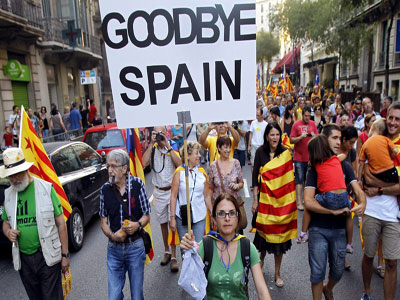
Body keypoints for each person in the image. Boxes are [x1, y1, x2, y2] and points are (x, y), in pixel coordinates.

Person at [304, 124, 366, 300]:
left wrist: (363, 202)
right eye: (334, 138)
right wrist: (331, 212)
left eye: (340, 138)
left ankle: (328, 288)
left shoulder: (344, 166)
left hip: (340, 230)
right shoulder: (314, 167)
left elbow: (358, 190)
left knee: (338, 272)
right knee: (317, 272)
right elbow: (308, 201)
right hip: (318, 228)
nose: (339, 142)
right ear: (324, 140)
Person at [1, 148, 69, 300]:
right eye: (10, 176)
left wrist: (65, 255)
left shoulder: (45, 188)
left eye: (17, 174)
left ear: (26, 170)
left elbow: (61, 223)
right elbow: (5, 224)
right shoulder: (9, 194)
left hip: (47, 256)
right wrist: (8, 232)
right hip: (24, 260)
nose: (14, 180)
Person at [180, 193, 272, 300]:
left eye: (232, 213)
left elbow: (262, 291)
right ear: (214, 219)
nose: (227, 218)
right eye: (221, 213)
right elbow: (190, 282)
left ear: (237, 218)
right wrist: (188, 252)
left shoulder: (247, 247)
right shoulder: (204, 246)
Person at [360, 102, 400, 300]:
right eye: (390, 118)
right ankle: (367, 292)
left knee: (391, 262)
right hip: (371, 210)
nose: (393, 122)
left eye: (397, 119)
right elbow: (364, 176)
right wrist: (382, 184)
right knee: (368, 256)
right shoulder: (373, 140)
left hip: (394, 215)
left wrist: (380, 189)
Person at [99, 149, 150, 300]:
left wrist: (137, 225)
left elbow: (147, 215)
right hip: (114, 250)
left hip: (135, 247)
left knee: (136, 296)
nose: (110, 170)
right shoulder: (104, 190)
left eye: (114, 166)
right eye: (108, 166)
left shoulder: (137, 184)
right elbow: (103, 222)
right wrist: (112, 236)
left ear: (124, 168)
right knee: (113, 297)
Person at [251, 122, 296, 287]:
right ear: (267, 136)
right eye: (272, 134)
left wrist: (291, 203)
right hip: (264, 202)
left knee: (280, 241)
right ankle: (261, 260)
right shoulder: (260, 152)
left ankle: (277, 273)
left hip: (281, 204)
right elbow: (255, 176)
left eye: (277, 134)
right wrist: (255, 200)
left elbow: (290, 180)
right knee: (263, 237)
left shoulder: (285, 153)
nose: (275, 137)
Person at [297, 135, 355, 256]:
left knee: (309, 203)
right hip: (344, 198)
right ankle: (349, 244)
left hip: (329, 198)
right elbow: (344, 155)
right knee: (348, 213)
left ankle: (303, 233)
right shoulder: (336, 160)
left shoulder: (315, 165)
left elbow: (309, 200)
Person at [142, 126, 181, 272]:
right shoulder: (152, 148)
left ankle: (174, 256)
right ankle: (166, 251)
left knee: (173, 223)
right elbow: (144, 163)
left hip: (171, 192)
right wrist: (152, 143)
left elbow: (180, 163)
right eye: (156, 133)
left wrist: (168, 147)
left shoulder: (173, 146)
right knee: (163, 224)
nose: (159, 136)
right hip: (158, 191)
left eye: (161, 133)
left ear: (166, 133)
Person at [169, 141, 212, 244]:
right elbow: (173, 196)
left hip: (199, 216)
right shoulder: (179, 172)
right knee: (186, 249)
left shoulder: (202, 172)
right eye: (196, 153)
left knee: (197, 248)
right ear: (188, 156)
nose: (199, 156)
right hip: (182, 216)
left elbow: (206, 196)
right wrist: (172, 218)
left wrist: (212, 213)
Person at [358, 118, 400, 219]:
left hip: (375, 173)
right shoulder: (386, 140)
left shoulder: (366, 144)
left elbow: (361, 163)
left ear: (372, 128)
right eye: (390, 118)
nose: (393, 122)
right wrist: (389, 155)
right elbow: (394, 151)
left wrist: (359, 179)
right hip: (390, 171)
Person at [290, 106, 318, 210]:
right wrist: (301, 137)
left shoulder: (312, 124)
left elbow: (317, 138)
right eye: (305, 116)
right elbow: (291, 140)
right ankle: (298, 202)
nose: (307, 118)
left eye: (308, 116)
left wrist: (315, 137)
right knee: (299, 180)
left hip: (310, 158)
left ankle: (306, 200)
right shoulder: (296, 124)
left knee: (308, 181)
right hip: (299, 157)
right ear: (302, 115)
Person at [208, 136, 244, 204]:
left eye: (229, 147)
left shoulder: (236, 163)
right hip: (218, 205)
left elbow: (241, 183)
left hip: (233, 204)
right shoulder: (213, 166)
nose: (228, 150)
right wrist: (211, 208)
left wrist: (237, 186)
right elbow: (210, 188)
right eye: (225, 147)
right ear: (219, 147)